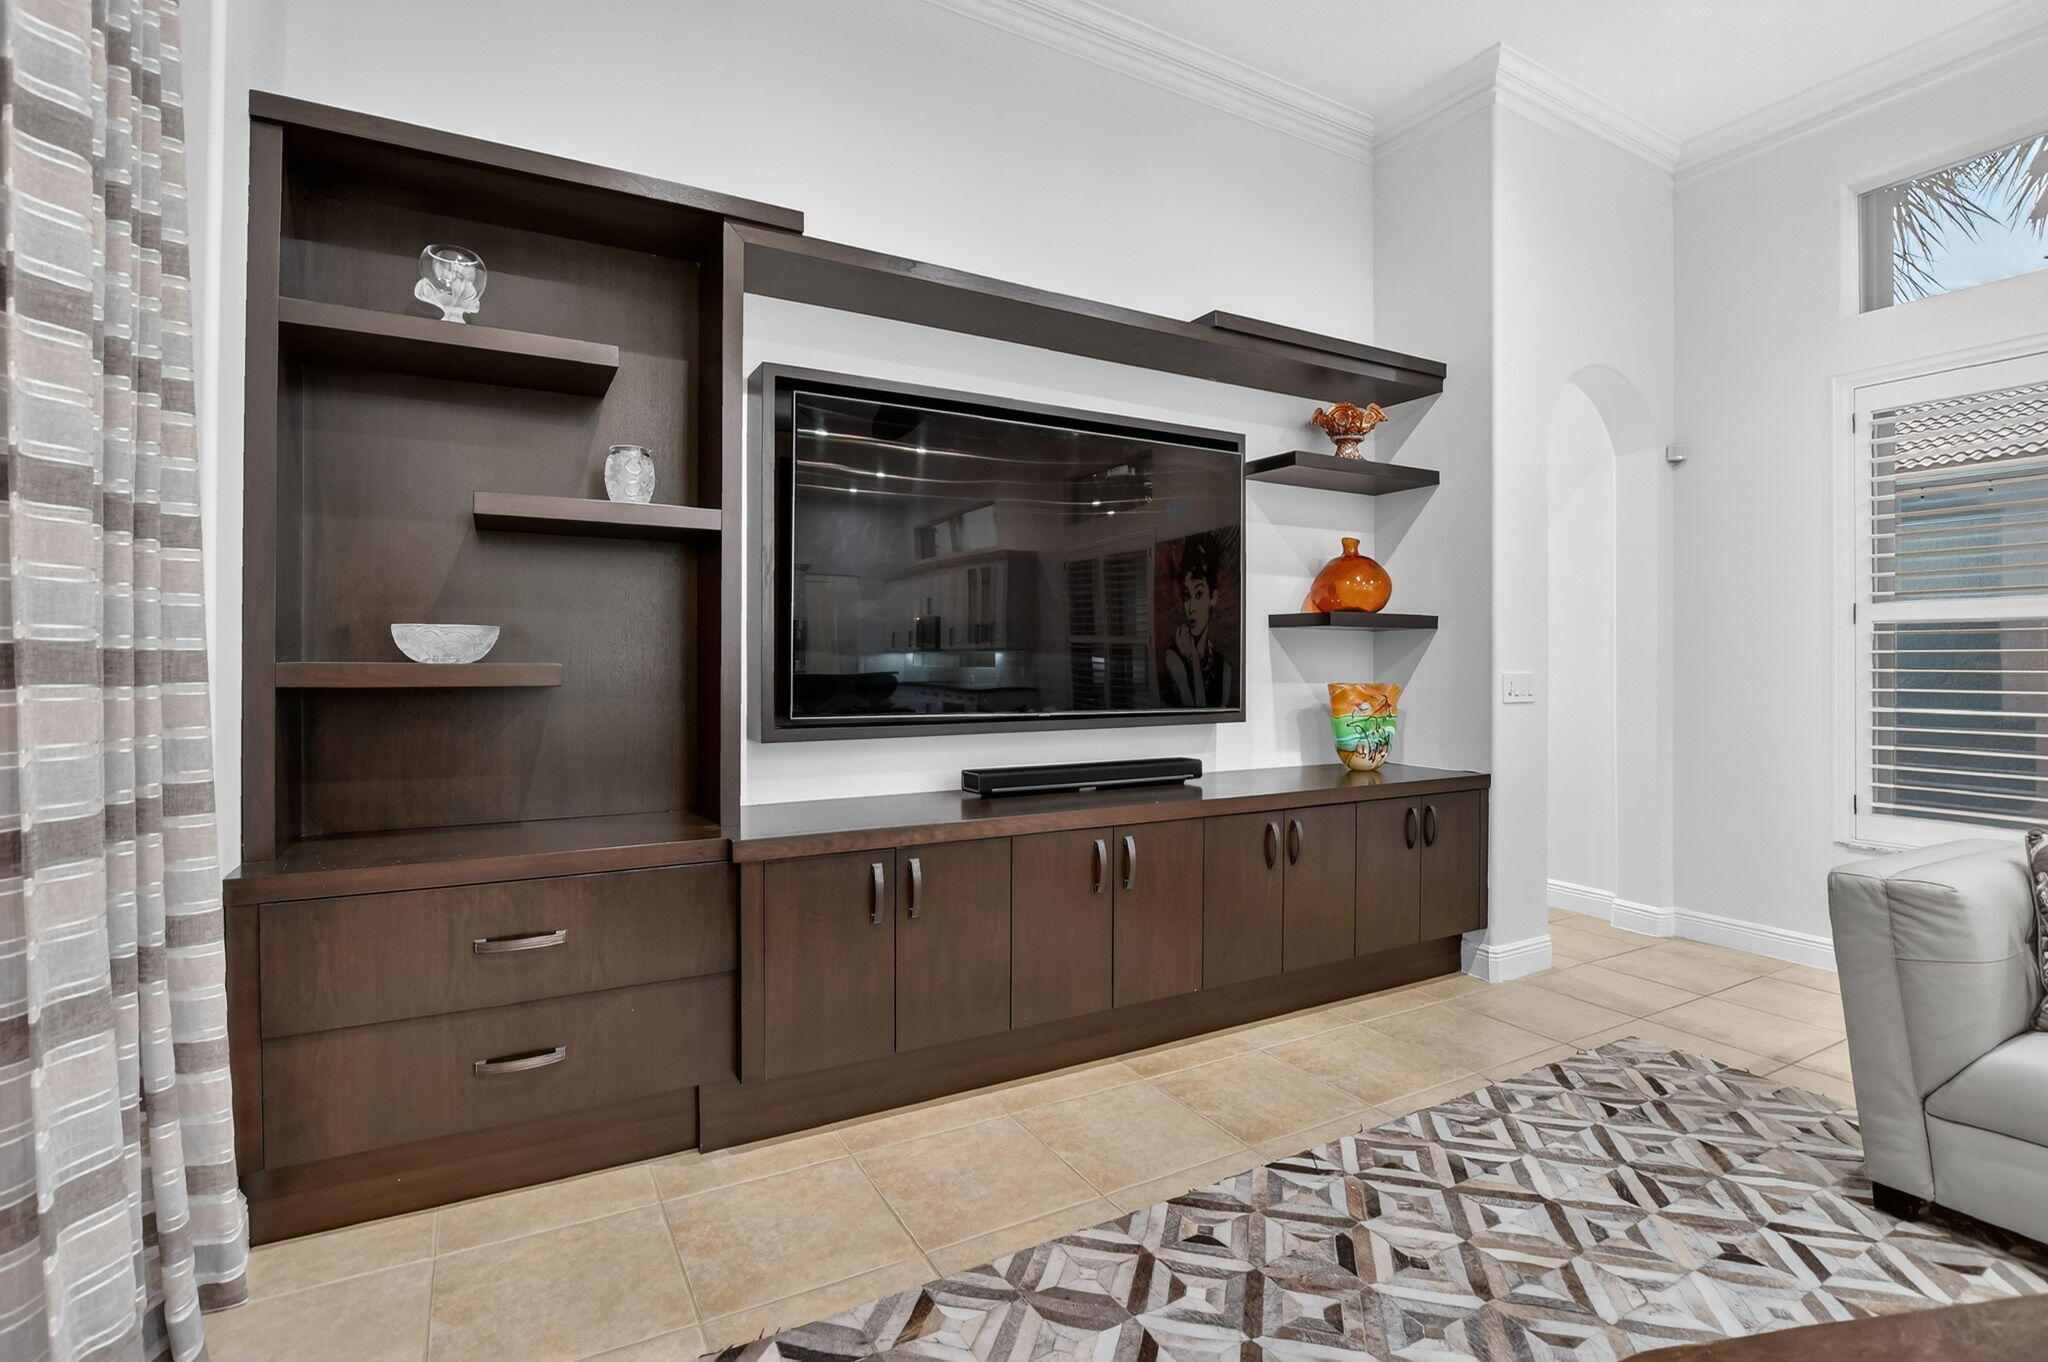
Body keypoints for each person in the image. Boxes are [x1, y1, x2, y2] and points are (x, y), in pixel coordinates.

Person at [1161, 534, 1235, 708]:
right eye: (1187, 596)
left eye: (1199, 594)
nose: (1191, 606)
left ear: (1213, 598)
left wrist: (1194, 659)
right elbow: (1197, 710)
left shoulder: (1223, 666)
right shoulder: (1173, 656)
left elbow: (1219, 718)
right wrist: (1194, 661)